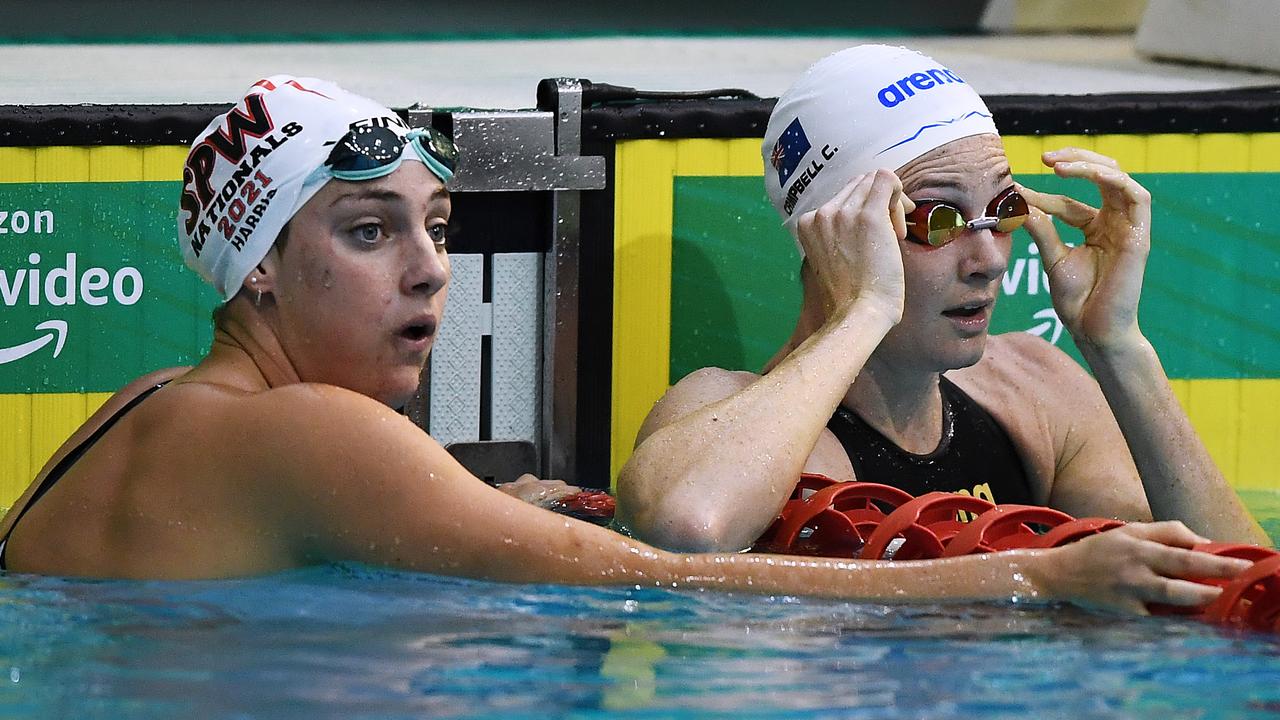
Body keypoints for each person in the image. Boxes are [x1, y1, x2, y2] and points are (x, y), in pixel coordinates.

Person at [0, 75, 1251, 616]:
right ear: (256, 266)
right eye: (371, 231)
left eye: (436, 226)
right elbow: (674, 582)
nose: (431, 266)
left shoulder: (142, 405)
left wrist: (466, 503)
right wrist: (1030, 578)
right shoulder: (314, 435)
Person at [616, 45, 1270, 553]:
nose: (987, 260)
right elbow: (685, 526)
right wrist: (865, 311)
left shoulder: (1037, 390)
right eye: (937, 219)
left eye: (1003, 209)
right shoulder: (723, 416)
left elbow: (1238, 593)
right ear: (835, 233)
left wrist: (1118, 345)